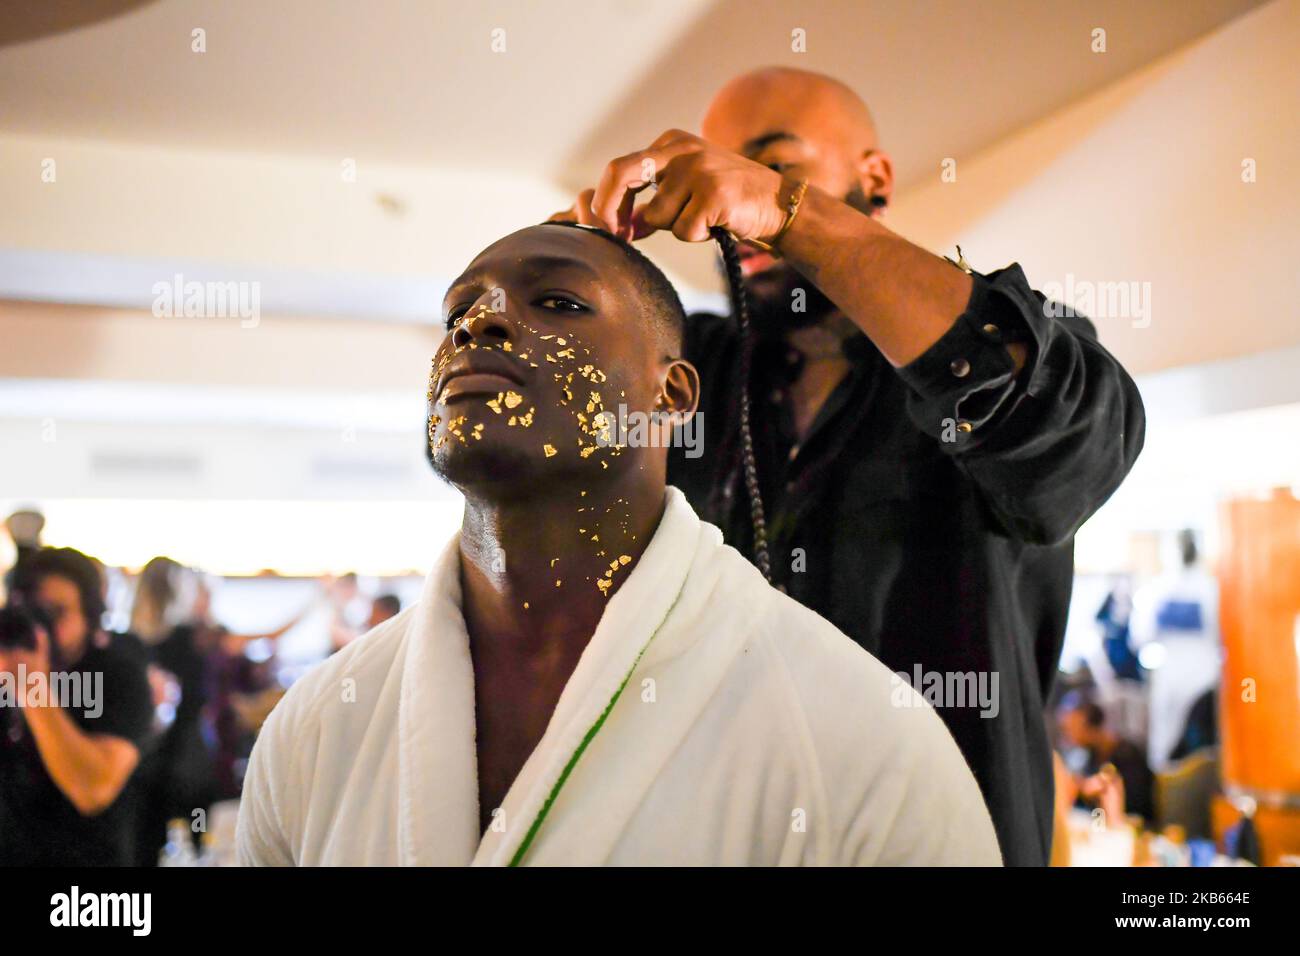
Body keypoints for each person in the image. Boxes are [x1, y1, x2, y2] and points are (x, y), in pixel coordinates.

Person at [237, 222, 1002, 866]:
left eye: (560, 302)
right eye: (458, 313)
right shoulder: (316, 730)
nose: (479, 324)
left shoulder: (858, 737)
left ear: (670, 395)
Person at [549, 66, 1145, 865]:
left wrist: (787, 213)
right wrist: (565, 281)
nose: (724, 203)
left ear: (874, 179)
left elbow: (1075, 446)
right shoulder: (694, 372)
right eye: (722, 175)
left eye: (773, 164)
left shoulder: (1004, 341)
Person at [0, 546, 154, 865]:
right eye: (29, 611)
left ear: (89, 616)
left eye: (55, 613)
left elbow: (92, 790)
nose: (40, 627)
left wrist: (33, 690)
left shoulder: (118, 673)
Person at [1057, 690, 1154, 823]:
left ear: (1086, 721)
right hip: (1105, 832)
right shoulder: (1090, 757)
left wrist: (1102, 791)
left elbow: (1136, 808)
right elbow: (1097, 814)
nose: (1068, 736)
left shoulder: (1127, 754)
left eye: (1070, 728)